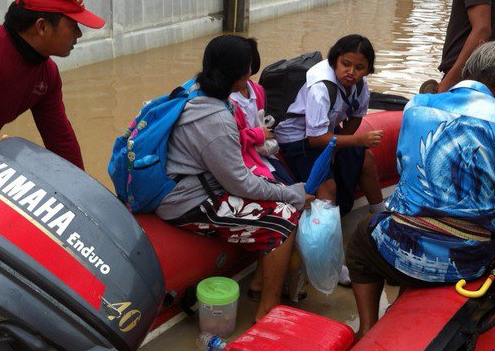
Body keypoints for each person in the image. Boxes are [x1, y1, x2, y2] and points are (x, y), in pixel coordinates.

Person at [346, 41, 495, 338]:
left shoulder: (418, 105)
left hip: (397, 252)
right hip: (467, 264)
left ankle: (367, 328)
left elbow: (405, 169)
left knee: (359, 245)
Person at [155, 35, 312, 320]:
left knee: (278, 199)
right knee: (284, 219)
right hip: (187, 201)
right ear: (242, 75)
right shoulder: (215, 118)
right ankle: (268, 309)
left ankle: (259, 284)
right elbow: (238, 182)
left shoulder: (196, 91)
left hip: (195, 184)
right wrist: (293, 193)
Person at [0, 0, 105, 169]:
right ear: (42, 26)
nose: (79, 33)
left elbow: (60, 141)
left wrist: (83, 189)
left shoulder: (47, 74)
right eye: (73, 25)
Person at [275, 34, 386, 217]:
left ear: (367, 70)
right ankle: (327, 238)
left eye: (359, 68)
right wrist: (357, 140)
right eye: (346, 64)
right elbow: (315, 139)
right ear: (335, 61)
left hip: (325, 130)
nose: (351, 72)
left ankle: (380, 215)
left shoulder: (360, 85)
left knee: (366, 159)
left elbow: (356, 116)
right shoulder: (321, 88)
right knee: (327, 186)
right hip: (297, 136)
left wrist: (335, 149)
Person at [230, 38, 296, 186]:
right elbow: (230, 139)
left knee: (290, 183)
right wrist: (259, 134)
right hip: (243, 157)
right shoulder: (227, 100)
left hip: (263, 151)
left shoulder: (257, 90)